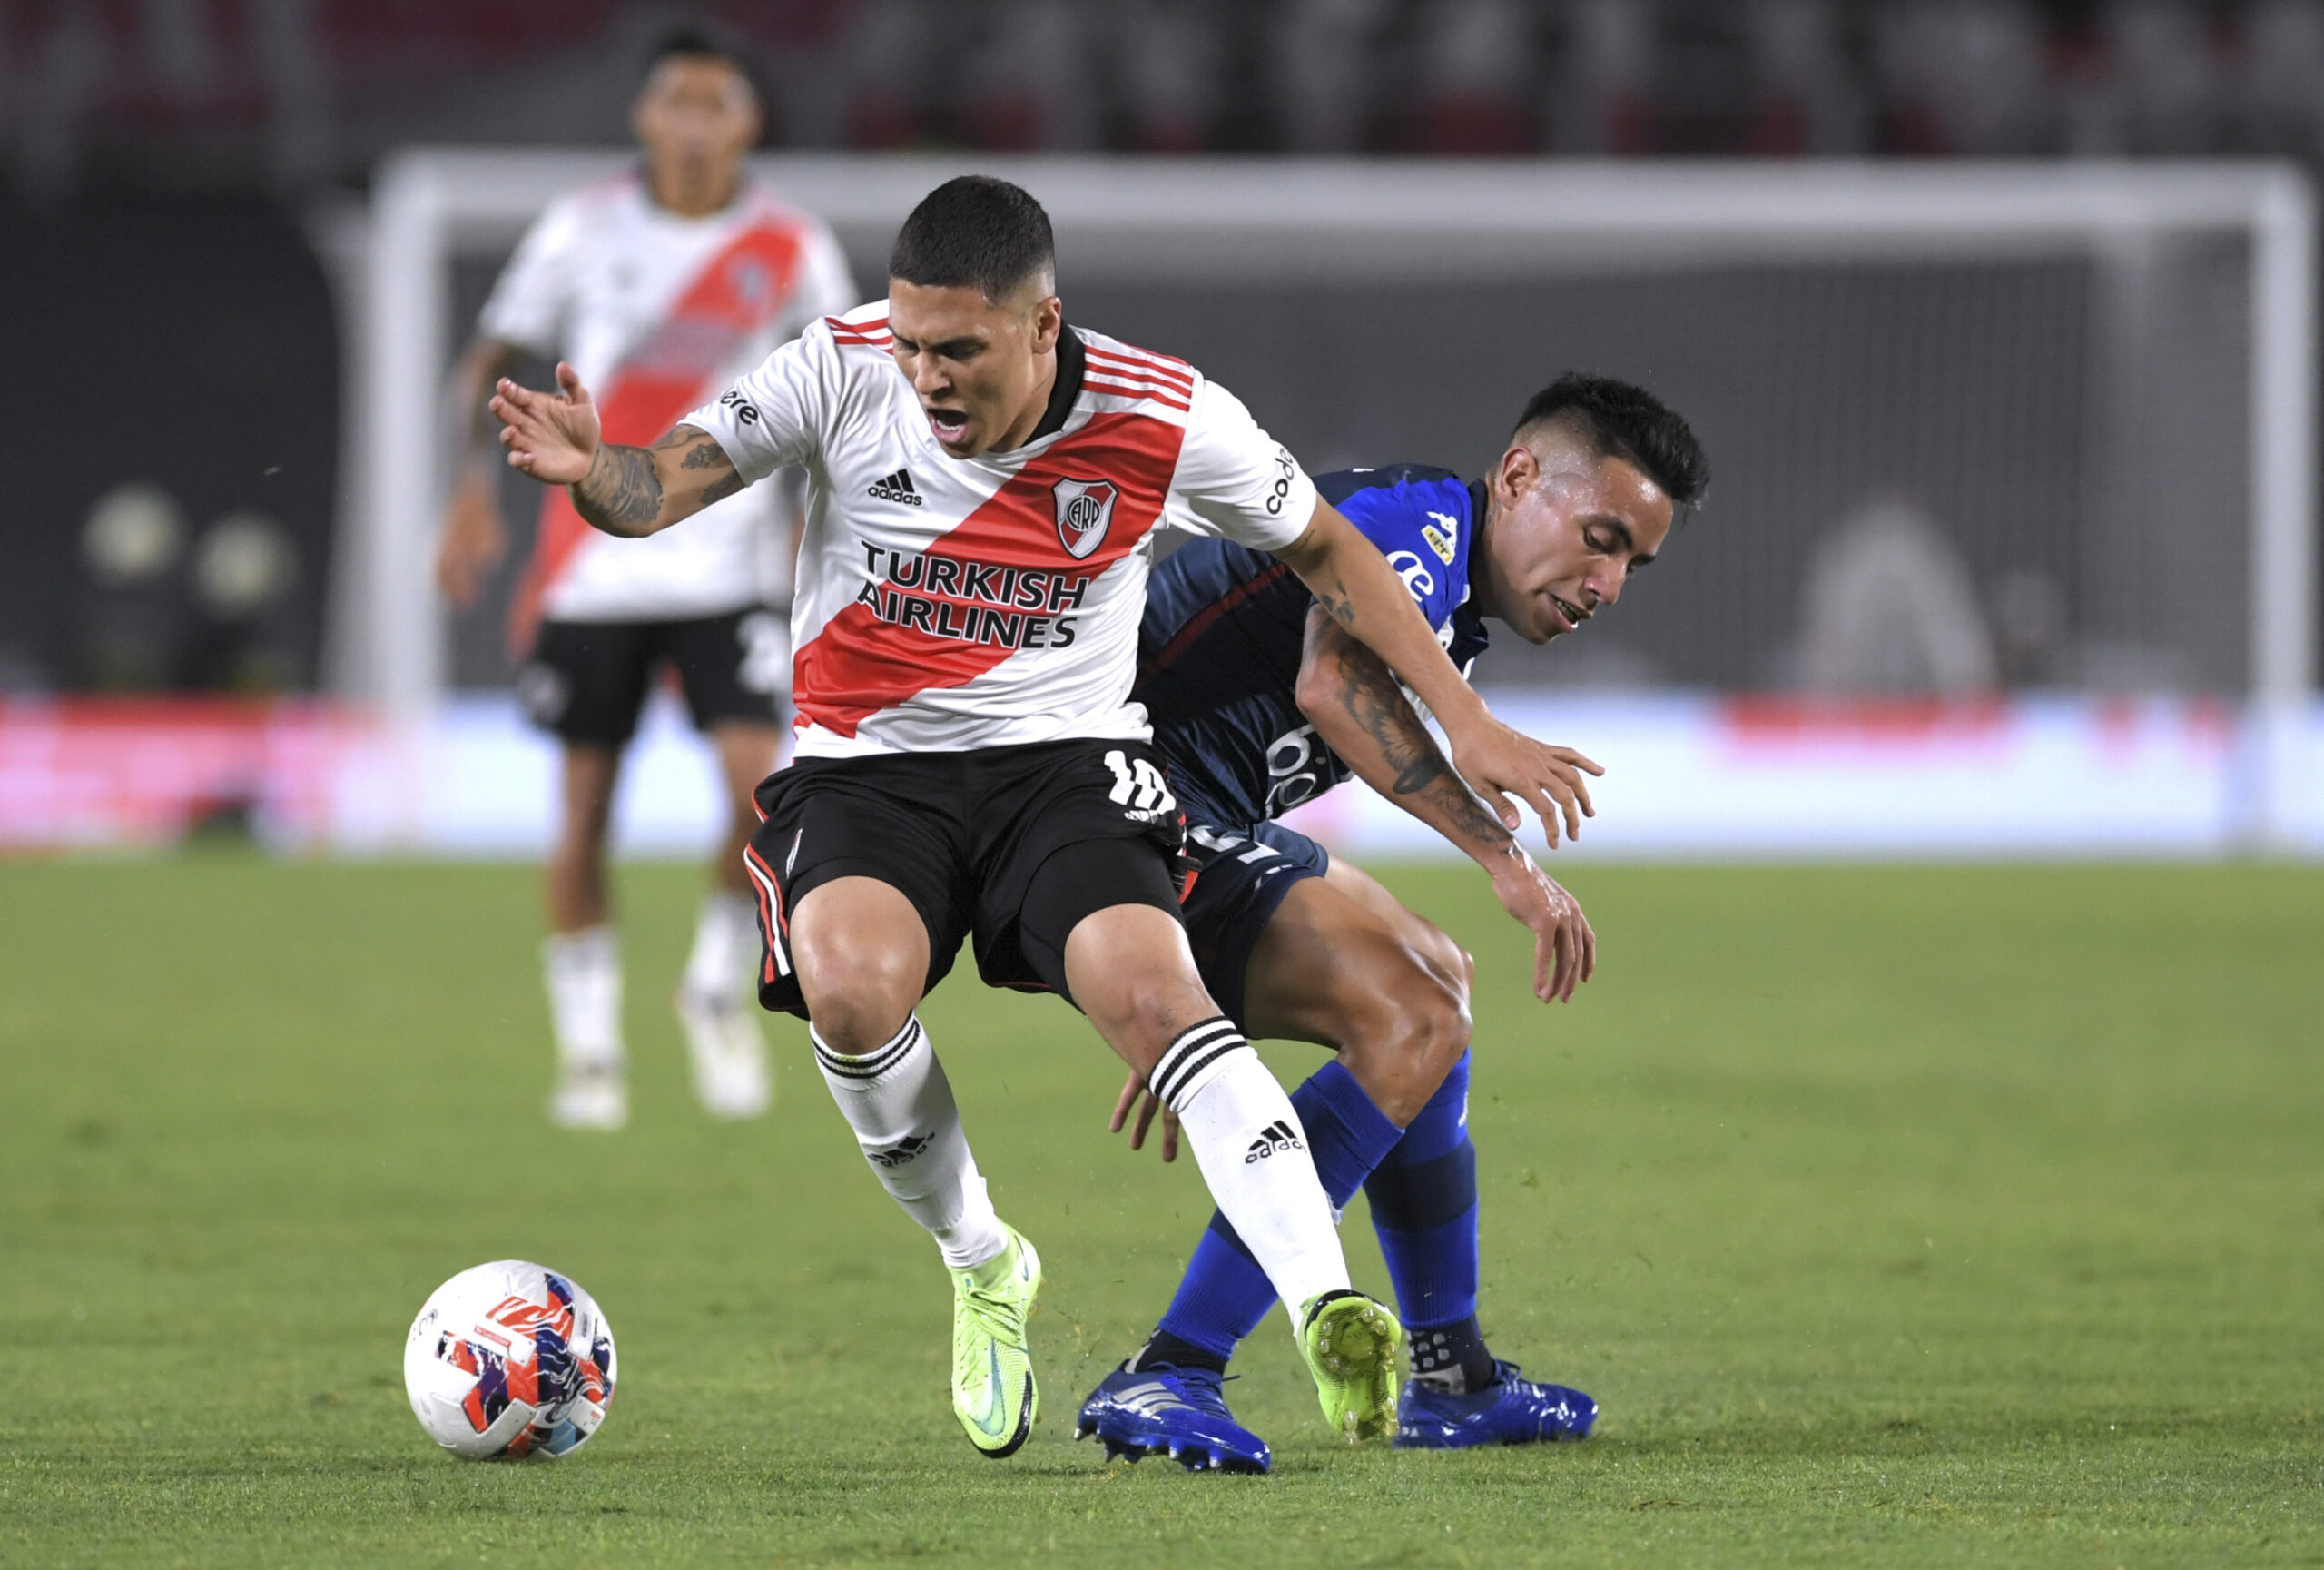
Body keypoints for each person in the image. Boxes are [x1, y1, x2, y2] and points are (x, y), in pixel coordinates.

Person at [488, 174, 1601, 1462]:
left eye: (958, 349)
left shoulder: (1164, 413)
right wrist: (594, 473)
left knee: (1154, 990)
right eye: (911, 344)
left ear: (1042, 325)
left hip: (1066, 767)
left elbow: (1332, 549)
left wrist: (1464, 719)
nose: (925, 377)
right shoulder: (840, 365)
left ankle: (1326, 1310)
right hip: (868, 769)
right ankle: (983, 1260)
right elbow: (655, 487)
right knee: (851, 992)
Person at [1076, 373, 1709, 1472]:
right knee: (1413, 1004)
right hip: (1113, 800)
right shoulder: (1424, 522)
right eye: (1599, 538)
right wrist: (1504, 855)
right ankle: (1171, 1367)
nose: (1606, 583)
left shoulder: (1452, 610)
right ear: (1516, 477)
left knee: (1431, 993)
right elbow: (1330, 683)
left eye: (1632, 565)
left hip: (1173, 815)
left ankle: (1452, 1377)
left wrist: (1173, 981)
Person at [434, 29, 857, 1131]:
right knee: (582, 813)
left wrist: (838, 537)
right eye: (678, 100)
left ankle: (713, 986)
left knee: (763, 802)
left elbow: (846, 393)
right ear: (645, 118)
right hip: (592, 568)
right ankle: (589, 1051)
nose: (696, 122)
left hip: (730, 564)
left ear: (748, 123)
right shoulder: (583, 227)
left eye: (718, 103)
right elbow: (489, 359)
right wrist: (470, 492)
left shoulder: (789, 244)